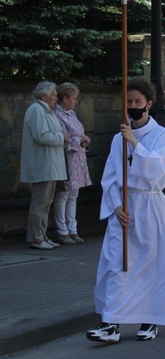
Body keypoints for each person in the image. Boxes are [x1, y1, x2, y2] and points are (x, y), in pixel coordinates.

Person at [88, 79, 165, 343]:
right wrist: (116, 206)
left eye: (137, 102)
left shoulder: (161, 136)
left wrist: (135, 144)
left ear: (149, 104)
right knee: (116, 263)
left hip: (149, 206)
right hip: (124, 210)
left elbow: (159, 174)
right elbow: (110, 177)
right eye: (128, 102)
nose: (132, 106)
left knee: (150, 267)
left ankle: (150, 320)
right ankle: (110, 323)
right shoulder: (118, 139)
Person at [21, 81, 69, 250]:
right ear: (44, 96)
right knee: (40, 202)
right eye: (54, 95)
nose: (56, 98)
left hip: (50, 165)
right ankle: (35, 237)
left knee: (46, 202)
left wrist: (63, 138)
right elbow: (41, 136)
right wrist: (62, 137)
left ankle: (41, 235)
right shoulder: (36, 110)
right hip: (43, 164)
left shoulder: (45, 110)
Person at [53, 83, 92, 245]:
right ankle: (62, 230)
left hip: (78, 160)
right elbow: (63, 138)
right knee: (63, 195)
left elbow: (77, 133)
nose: (76, 101)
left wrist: (83, 139)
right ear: (65, 99)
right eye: (74, 98)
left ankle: (72, 229)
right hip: (66, 159)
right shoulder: (57, 115)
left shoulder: (71, 114)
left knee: (73, 195)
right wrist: (80, 140)